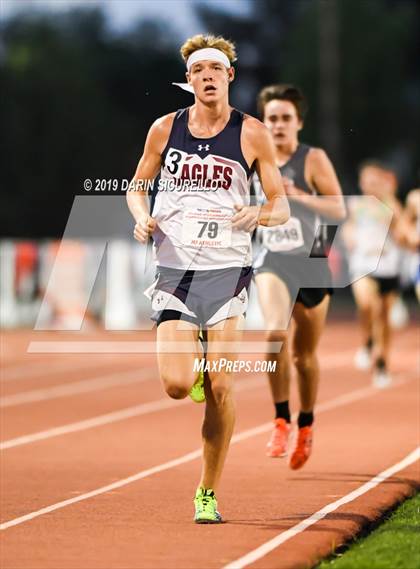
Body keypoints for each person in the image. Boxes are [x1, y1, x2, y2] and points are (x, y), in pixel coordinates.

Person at [127, 35, 289, 523]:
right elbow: (137, 186)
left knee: (221, 387)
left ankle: (207, 493)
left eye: (216, 70)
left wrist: (257, 213)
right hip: (176, 267)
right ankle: (191, 365)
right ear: (190, 79)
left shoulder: (252, 133)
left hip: (228, 271)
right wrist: (140, 215)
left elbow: (280, 205)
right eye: (199, 70)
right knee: (178, 386)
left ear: (230, 77)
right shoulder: (164, 128)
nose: (208, 77)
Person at [253, 84, 346, 469]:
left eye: (285, 118)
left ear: (299, 123)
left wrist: (298, 195)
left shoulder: (313, 159)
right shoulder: (254, 157)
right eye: (271, 118)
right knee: (275, 334)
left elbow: (339, 211)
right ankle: (280, 418)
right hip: (272, 258)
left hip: (311, 261)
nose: (277, 125)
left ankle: (306, 423)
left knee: (304, 356)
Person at [345, 161, 405, 387]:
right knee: (367, 305)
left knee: (384, 318)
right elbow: (348, 227)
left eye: (375, 181)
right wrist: (349, 237)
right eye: (367, 181)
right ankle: (368, 341)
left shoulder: (390, 205)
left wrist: (389, 200)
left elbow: (401, 229)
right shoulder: (355, 205)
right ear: (361, 183)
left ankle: (381, 364)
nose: (371, 185)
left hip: (388, 267)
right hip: (363, 266)